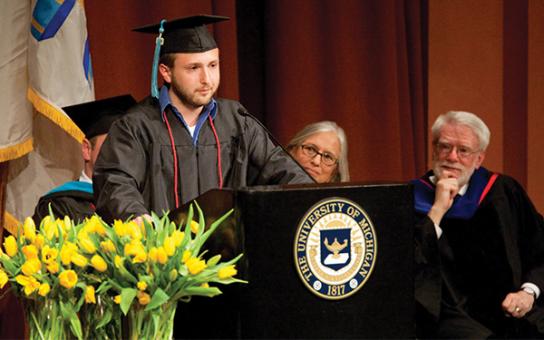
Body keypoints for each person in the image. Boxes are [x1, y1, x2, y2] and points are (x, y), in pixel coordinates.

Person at [93, 15, 312, 223]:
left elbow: (282, 171)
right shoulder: (136, 126)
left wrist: (315, 198)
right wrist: (136, 216)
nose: (206, 79)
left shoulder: (237, 120)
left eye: (213, 65)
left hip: (228, 253)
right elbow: (115, 182)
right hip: (165, 256)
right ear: (166, 72)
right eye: (193, 68)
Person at [412, 110, 544, 338]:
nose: (452, 157)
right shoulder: (411, 198)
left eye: (463, 150)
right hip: (446, 320)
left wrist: (528, 292)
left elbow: (540, 249)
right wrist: (438, 209)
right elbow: (407, 264)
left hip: (515, 310)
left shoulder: (503, 192)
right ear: (434, 149)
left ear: (479, 158)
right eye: (445, 147)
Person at [33, 95, 136, 223]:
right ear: (87, 149)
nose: (120, 154)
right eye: (110, 145)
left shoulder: (137, 203)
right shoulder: (58, 206)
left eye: (127, 147)